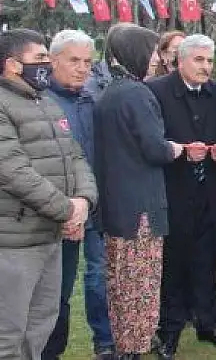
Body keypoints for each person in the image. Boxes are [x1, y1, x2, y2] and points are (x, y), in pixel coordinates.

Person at [0, 29, 97, 360]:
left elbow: (76, 156)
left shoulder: (47, 103)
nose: (46, 64)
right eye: (39, 58)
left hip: (49, 237)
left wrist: (83, 201)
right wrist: (67, 210)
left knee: (40, 325)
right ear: (13, 65)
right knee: (9, 331)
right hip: (13, 242)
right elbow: (12, 171)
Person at [93, 23, 184, 359]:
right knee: (140, 282)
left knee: (121, 282)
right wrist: (173, 148)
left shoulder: (110, 93)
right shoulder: (136, 93)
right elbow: (154, 148)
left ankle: (127, 342)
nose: (155, 61)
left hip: (118, 205)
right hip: (140, 208)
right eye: (151, 53)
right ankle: (135, 345)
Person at [147, 35, 216, 356]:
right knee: (173, 265)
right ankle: (169, 332)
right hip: (173, 192)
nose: (206, 67)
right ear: (179, 61)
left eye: (210, 60)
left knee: (206, 263)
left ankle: (209, 326)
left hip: (209, 192)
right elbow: (152, 142)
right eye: (198, 60)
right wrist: (182, 153)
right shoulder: (156, 92)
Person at [43, 30, 115, 360]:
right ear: (52, 60)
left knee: (100, 275)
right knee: (58, 284)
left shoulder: (93, 98)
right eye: (74, 60)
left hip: (96, 204)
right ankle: (50, 348)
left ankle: (105, 341)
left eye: (88, 61)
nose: (82, 68)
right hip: (60, 209)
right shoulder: (41, 102)